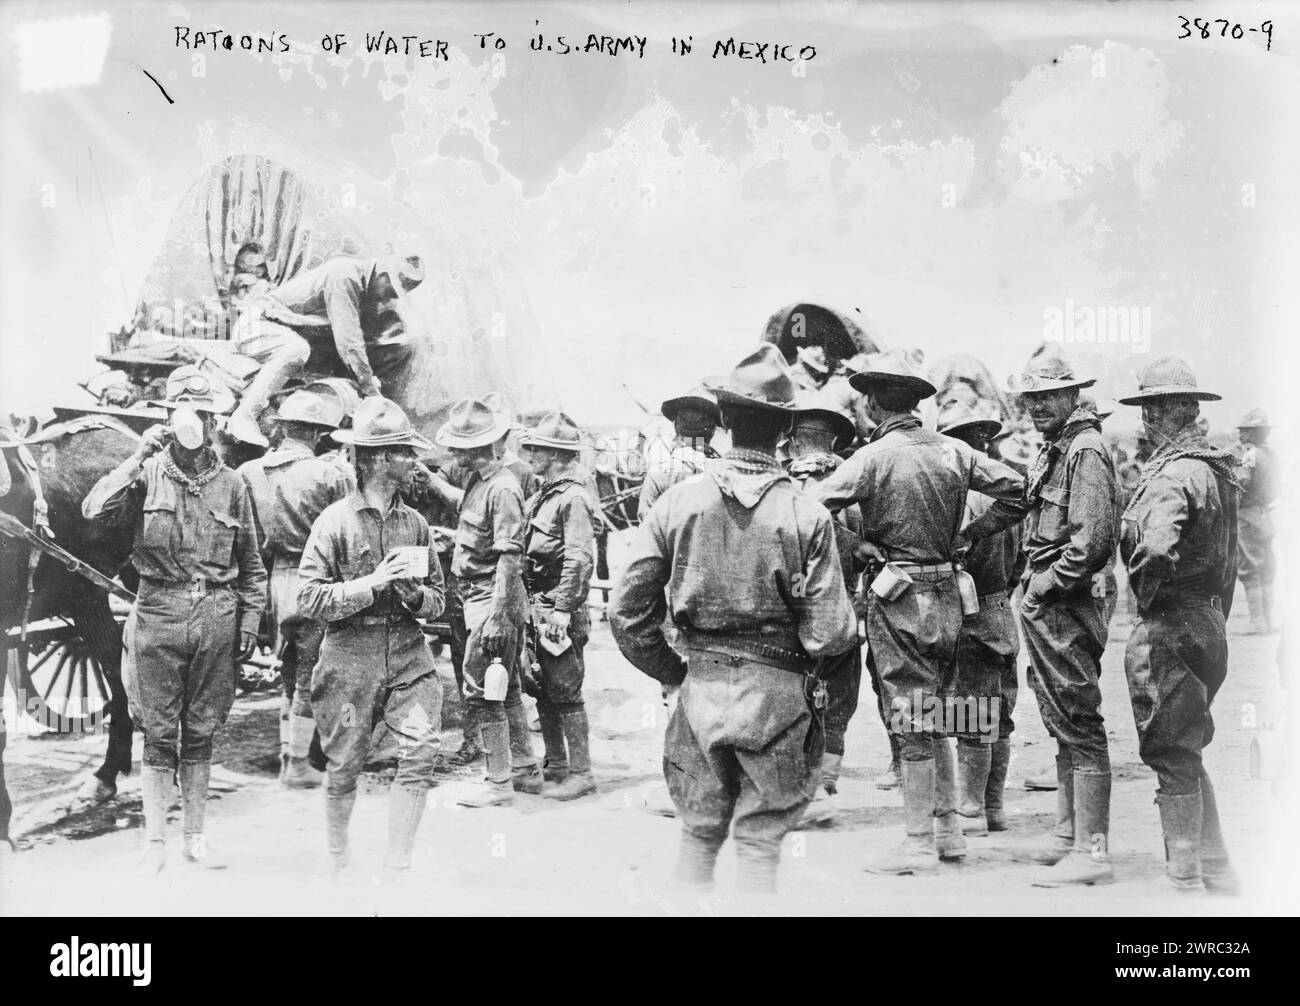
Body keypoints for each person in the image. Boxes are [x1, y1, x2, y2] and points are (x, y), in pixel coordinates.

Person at [611, 344, 857, 894]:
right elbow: (832, 633)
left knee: (698, 835)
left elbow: (627, 612)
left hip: (698, 691)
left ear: (723, 421)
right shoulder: (807, 513)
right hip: (779, 697)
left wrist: (675, 671)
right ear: (785, 431)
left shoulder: (676, 503)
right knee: (760, 844)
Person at [810, 349, 1025, 875]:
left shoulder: (871, 458)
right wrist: (967, 534)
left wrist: (857, 546)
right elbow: (1019, 491)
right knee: (944, 713)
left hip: (898, 597)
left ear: (876, 402)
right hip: (951, 596)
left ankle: (916, 843)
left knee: (911, 719)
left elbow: (808, 507)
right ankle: (949, 832)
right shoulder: (955, 452)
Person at [83, 366, 267, 871]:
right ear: (170, 417)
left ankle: (196, 837)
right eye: (187, 413)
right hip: (158, 613)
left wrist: (249, 622)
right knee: (158, 734)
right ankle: (155, 843)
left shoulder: (232, 484)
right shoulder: (144, 474)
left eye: (206, 416)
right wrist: (136, 455)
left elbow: (252, 565)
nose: (197, 425)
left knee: (202, 732)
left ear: (215, 423)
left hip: (216, 615)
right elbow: (93, 511)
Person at [297, 397, 445, 875]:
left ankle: (397, 868)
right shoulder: (334, 522)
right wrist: (372, 583)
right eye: (405, 453)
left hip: (408, 653)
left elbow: (440, 601)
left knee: (420, 753)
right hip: (348, 656)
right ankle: (339, 861)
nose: (413, 462)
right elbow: (310, 598)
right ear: (380, 458)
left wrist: (416, 595)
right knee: (344, 766)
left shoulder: (416, 523)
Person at [1117, 356, 1241, 894]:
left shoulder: (1173, 474)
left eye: (1152, 410)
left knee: (1168, 749)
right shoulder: (1215, 467)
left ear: (1169, 413)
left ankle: (1185, 878)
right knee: (1185, 746)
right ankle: (1214, 867)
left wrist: (1148, 604)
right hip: (1208, 620)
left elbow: (1155, 547)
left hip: (1172, 623)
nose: (1147, 422)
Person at [1005, 344, 1120, 886]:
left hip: (1066, 599)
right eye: (1031, 398)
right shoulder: (1060, 446)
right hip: (1051, 600)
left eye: (1048, 395)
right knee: (1060, 716)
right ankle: (1069, 832)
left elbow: (1092, 539)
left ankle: (1092, 852)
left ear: (1073, 393)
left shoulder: (1085, 449)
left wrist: (1043, 585)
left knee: (1079, 719)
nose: (1037, 406)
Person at [237, 389, 354, 788]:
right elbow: (349, 532)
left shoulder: (249, 473)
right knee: (311, 675)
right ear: (320, 434)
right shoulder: (329, 474)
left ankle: (292, 754)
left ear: (284, 427)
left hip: (274, 581)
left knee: (290, 670)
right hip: (317, 579)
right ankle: (299, 764)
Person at [431, 399, 540, 806]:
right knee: (506, 687)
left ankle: (497, 785)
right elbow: (469, 517)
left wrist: (497, 616)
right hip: (478, 594)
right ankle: (525, 771)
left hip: (490, 600)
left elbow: (510, 560)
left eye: (460, 448)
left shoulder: (504, 488)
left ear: (479, 449)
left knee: (481, 691)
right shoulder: (481, 482)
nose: (454, 455)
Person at [936, 403, 1026, 835]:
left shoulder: (959, 497)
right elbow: (1021, 562)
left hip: (968, 614)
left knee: (970, 713)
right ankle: (993, 807)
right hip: (1002, 612)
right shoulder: (1009, 491)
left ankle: (970, 810)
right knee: (1000, 713)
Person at [225, 254, 424, 448]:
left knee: (398, 350)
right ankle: (244, 416)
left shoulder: (369, 294)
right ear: (382, 274)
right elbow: (349, 342)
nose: (388, 297)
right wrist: (370, 389)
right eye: (391, 290)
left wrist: (371, 380)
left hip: (293, 333)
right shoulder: (345, 275)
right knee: (296, 350)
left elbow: (364, 343)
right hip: (260, 324)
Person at [783, 391, 867, 826]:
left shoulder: (784, 487)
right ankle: (824, 787)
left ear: (795, 440)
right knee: (838, 699)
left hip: (794, 612)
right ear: (834, 442)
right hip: (848, 610)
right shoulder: (858, 484)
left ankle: (799, 789)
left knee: (794, 696)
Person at [517, 412, 600, 800]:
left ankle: (582, 773)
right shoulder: (544, 496)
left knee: (565, 687)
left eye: (535, 448)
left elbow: (579, 557)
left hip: (558, 605)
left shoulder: (574, 498)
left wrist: (563, 610)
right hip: (539, 603)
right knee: (542, 687)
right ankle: (557, 764)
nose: (529, 454)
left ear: (553, 454)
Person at [638, 385, 721, 512]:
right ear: (712, 431)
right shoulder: (725, 473)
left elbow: (646, 525)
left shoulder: (657, 476)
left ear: (676, 427)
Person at [1234, 408, 1278, 634]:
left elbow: (1242, 482)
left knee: (1250, 569)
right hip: (1266, 514)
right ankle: (1268, 620)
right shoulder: (1271, 454)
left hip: (1248, 514)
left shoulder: (1250, 454)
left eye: (1245, 431)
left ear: (1253, 433)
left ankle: (1257, 621)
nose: (1241, 435)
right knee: (1267, 569)